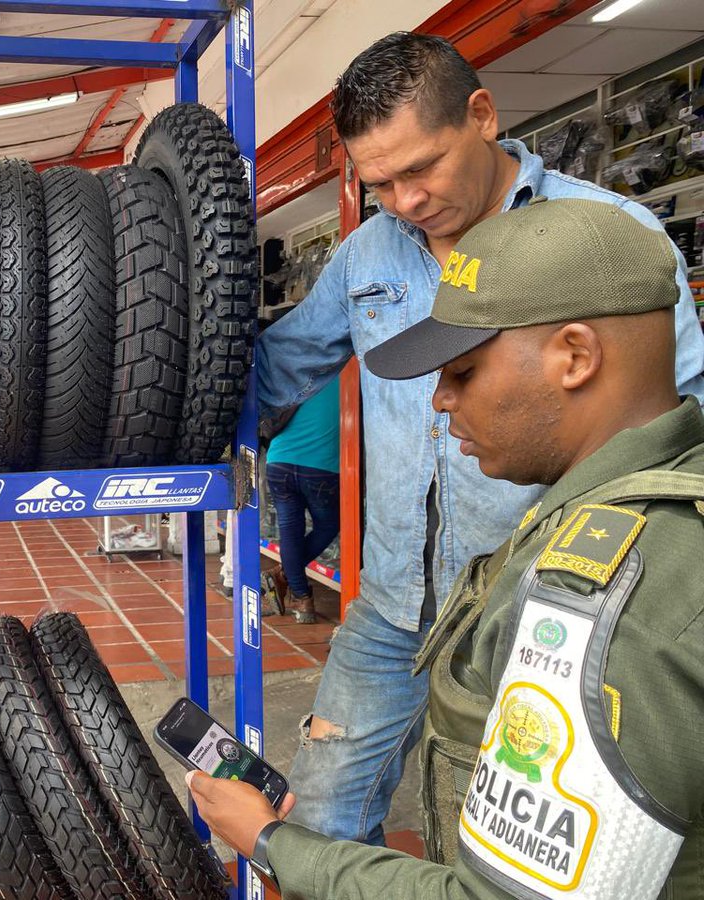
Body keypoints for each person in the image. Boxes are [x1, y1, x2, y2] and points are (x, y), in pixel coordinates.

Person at [256, 30, 704, 846]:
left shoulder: (608, 236)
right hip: (394, 605)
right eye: (380, 181)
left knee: (511, 840)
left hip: (546, 615)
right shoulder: (366, 256)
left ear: (482, 115)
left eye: (421, 168)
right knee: (314, 825)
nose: (406, 201)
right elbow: (274, 372)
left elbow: (686, 418)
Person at [189, 197, 704, 898]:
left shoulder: (605, 605)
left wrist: (274, 844)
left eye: (462, 373)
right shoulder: (656, 500)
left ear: (576, 356)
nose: (439, 401)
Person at [264, 377, 341, 623]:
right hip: (320, 466)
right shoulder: (347, 371)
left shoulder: (295, 370)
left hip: (278, 461)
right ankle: (288, 578)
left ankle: (302, 597)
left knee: (290, 531)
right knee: (329, 525)